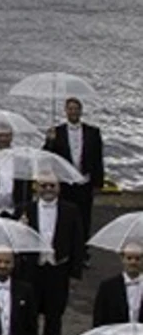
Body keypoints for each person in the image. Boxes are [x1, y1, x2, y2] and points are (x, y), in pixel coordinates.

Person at [19, 175, 84, 335]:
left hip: (58, 270)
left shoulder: (70, 210)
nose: (48, 189)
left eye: (52, 185)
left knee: (54, 317)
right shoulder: (25, 209)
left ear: (59, 188)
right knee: (30, 315)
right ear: (36, 188)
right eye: (43, 185)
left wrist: (75, 274)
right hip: (33, 269)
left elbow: (77, 243)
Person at [44, 96, 104, 233]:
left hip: (85, 181)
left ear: (81, 111)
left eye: (76, 109)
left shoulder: (93, 132)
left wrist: (98, 183)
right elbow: (47, 155)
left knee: (85, 216)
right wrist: (50, 141)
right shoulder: (56, 132)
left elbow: (98, 158)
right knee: (65, 216)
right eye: (70, 109)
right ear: (66, 111)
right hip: (65, 182)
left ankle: (83, 248)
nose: (73, 112)